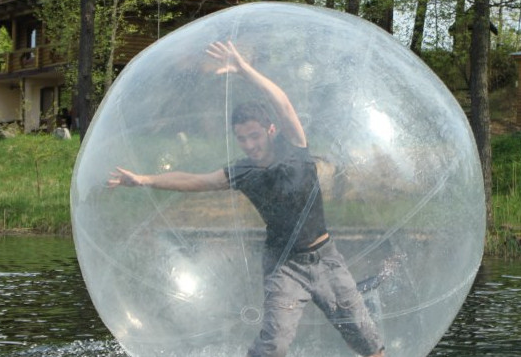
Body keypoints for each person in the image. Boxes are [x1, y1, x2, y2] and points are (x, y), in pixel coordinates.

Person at [108, 41, 385, 357]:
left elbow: (282, 103)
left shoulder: (294, 149)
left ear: (270, 130)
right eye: (242, 139)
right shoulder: (242, 172)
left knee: (366, 338)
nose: (249, 144)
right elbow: (194, 181)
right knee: (273, 345)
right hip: (284, 265)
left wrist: (243, 69)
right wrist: (143, 180)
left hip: (325, 257)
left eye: (254, 136)